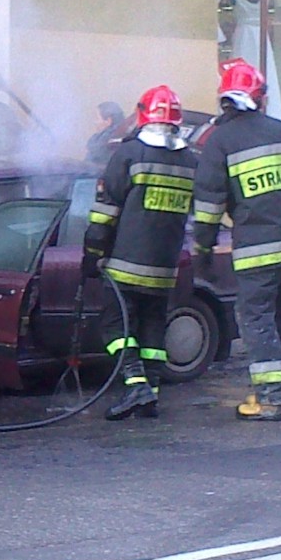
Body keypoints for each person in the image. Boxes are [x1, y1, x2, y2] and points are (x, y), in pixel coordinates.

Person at [192, 61, 281, 421]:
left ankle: (270, 397)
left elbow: (208, 205)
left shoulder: (220, 142)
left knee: (256, 320)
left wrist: (203, 249)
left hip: (256, 249)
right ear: (258, 98)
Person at [83, 85, 198, 420]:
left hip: (125, 265)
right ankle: (152, 395)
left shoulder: (129, 154)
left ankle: (136, 386)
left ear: (143, 114)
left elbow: (106, 211)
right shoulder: (190, 161)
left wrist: (92, 251)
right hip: (164, 268)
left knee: (115, 328)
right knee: (152, 331)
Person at [85, 101, 125, 166]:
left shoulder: (109, 143)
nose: (95, 122)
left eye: (97, 118)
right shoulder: (125, 135)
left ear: (108, 121)